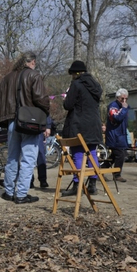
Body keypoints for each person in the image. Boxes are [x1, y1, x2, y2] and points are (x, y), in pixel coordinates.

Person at [0, 51, 50, 204]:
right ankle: (22, 194)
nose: (34, 66)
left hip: (12, 122)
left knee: (12, 157)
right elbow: (41, 98)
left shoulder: (7, 78)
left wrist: (1, 114)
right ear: (31, 62)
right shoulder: (34, 75)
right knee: (28, 158)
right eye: (34, 63)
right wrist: (45, 113)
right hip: (29, 122)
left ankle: (9, 191)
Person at [60, 60, 103, 196]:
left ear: (76, 73)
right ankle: (92, 184)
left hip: (79, 124)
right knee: (92, 152)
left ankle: (77, 184)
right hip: (94, 124)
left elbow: (68, 105)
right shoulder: (96, 86)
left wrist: (66, 97)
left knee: (78, 152)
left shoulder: (76, 84)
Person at [105, 89, 130, 182]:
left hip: (120, 135)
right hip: (114, 136)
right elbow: (116, 118)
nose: (124, 101)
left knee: (115, 156)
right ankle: (117, 174)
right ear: (117, 97)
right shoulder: (113, 107)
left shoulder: (123, 107)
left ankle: (101, 170)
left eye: (126, 99)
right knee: (120, 154)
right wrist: (123, 109)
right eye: (122, 99)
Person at [31, 117, 53, 189]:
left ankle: (43, 179)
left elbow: (45, 109)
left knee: (40, 154)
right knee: (28, 155)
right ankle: (30, 180)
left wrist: (48, 126)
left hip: (38, 127)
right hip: (27, 125)